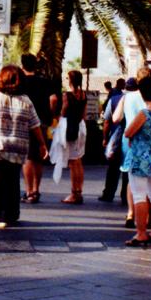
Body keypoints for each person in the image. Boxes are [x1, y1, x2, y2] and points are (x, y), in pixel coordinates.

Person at [0, 64, 48, 229]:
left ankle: (0, 215)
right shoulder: (26, 101)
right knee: (13, 179)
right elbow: (35, 125)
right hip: (18, 146)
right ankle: (13, 214)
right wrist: (42, 144)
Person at [124, 74, 151, 246]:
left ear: (142, 93)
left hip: (140, 159)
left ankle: (141, 233)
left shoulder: (144, 113)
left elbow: (128, 132)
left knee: (139, 196)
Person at [113, 68, 150, 227]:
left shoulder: (126, 98)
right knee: (148, 178)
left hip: (129, 139)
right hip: (148, 141)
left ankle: (131, 213)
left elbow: (116, 118)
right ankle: (146, 216)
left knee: (130, 177)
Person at [20, 53, 58, 204]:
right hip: (42, 121)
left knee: (28, 157)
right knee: (38, 157)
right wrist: (50, 113)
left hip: (25, 122)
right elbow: (54, 99)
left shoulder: (21, 82)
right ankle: (36, 189)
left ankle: (29, 191)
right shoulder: (45, 82)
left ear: (22, 66)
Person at [60, 69, 87, 204]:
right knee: (79, 161)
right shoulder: (83, 94)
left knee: (72, 162)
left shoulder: (68, 95)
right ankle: (79, 191)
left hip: (71, 128)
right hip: (81, 127)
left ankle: (74, 193)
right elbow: (84, 114)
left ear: (70, 80)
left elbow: (64, 111)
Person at [98, 77, 126, 203]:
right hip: (130, 138)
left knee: (113, 168)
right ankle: (125, 195)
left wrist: (105, 138)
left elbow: (107, 121)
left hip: (115, 136)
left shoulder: (114, 99)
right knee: (127, 169)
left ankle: (108, 193)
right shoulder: (139, 100)